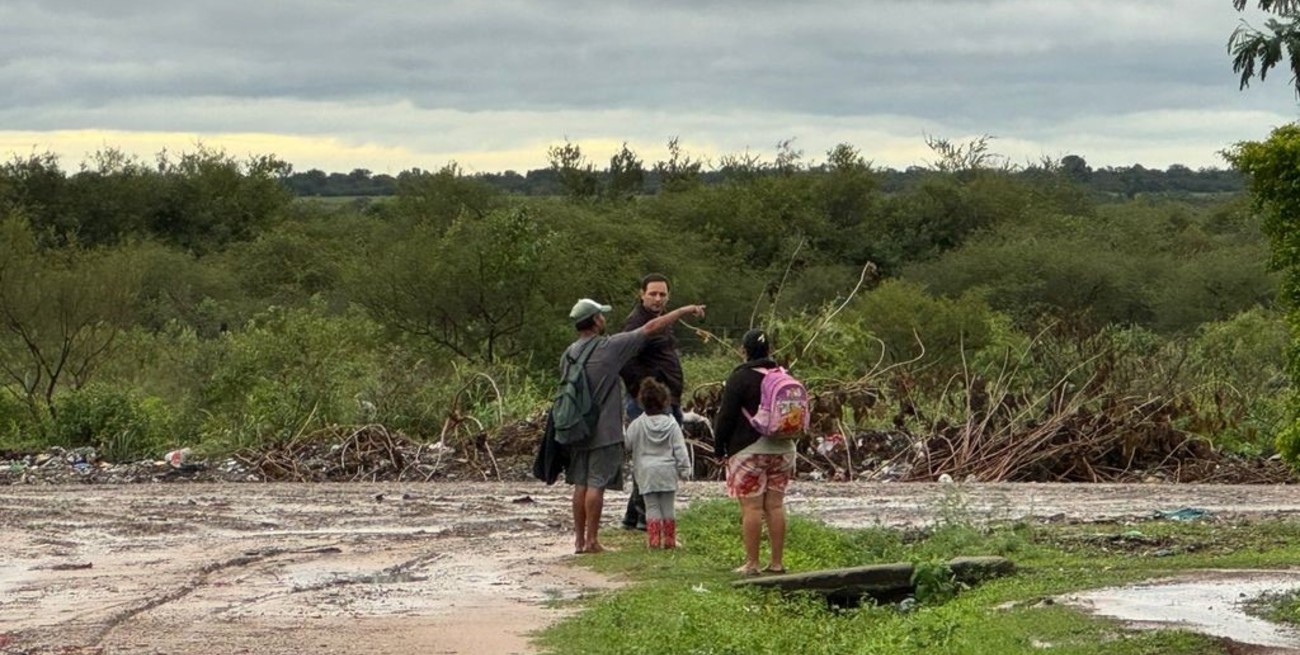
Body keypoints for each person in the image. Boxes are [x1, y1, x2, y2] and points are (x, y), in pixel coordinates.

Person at [563, 296, 705, 555]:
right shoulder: (609, 347)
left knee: (580, 484)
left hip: (575, 428)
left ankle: (578, 541)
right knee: (596, 484)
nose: (604, 319)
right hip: (603, 429)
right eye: (601, 315)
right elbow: (651, 327)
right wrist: (684, 309)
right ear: (595, 321)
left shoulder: (570, 353)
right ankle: (592, 541)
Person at [712, 328, 797, 575]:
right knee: (776, 506)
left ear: (743, 351)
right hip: (783, 450)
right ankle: (777, 563)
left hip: (749, 450)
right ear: (770, 350)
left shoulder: (740, 377)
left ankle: (752, 564)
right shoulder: (785, 374)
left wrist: (720, 449)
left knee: (752, 508)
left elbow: (726, 416)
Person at [619, 273, 687, 531]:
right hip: (650, 403)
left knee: (652, 459)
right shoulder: (637, 324)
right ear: (642, 294)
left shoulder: (661, 322)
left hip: (668, 398)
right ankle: (644, 517)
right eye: (653, 294)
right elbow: (625, 360)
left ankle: (633, 517)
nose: (658, 299)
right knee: (650, 459)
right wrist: (644, 390)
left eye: (662, 294)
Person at [622, 377, 691, 549]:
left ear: (641, 402)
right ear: (666, 401)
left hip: (645, 472)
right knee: (668, 507)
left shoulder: (637, 424)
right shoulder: (672, 424)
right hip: (667, 470)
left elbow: (627, 445)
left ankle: (653, 541)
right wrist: (684, 469)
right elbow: (680, 449)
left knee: (651, 506)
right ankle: (669, 540)